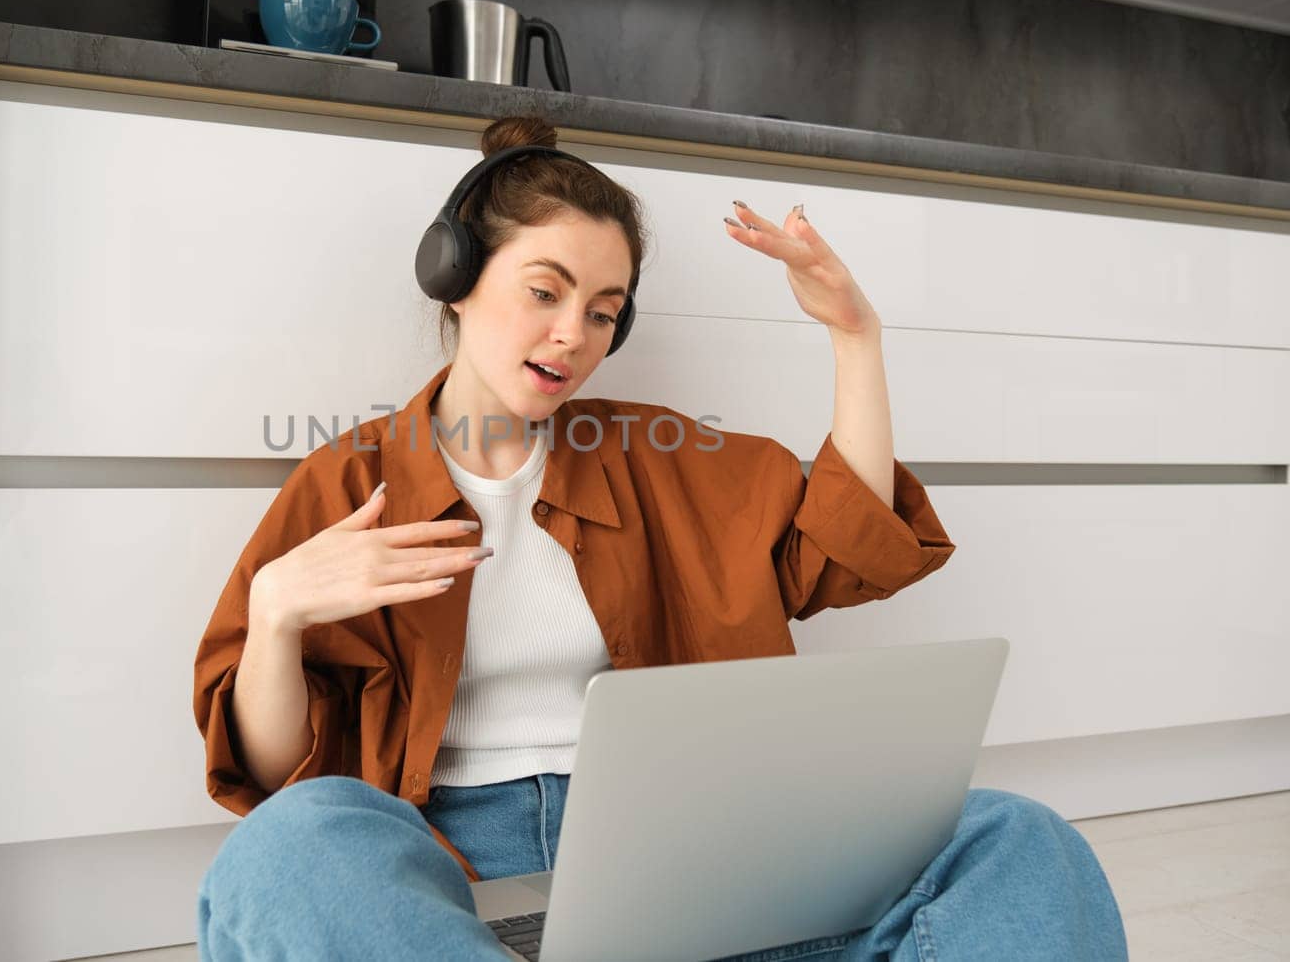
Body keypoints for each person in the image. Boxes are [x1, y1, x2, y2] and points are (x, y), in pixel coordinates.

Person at [191, 114, 1129, 960]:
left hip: (687, 855)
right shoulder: (353, 479)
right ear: (457, 276)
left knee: (1014, 837)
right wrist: (274, 612)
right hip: (446, 878)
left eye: (603, 312)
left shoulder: (660, 455)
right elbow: (274, 773)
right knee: (287, 846)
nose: (573, 335)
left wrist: (856, 337)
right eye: (546, 291)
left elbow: (847, 548)